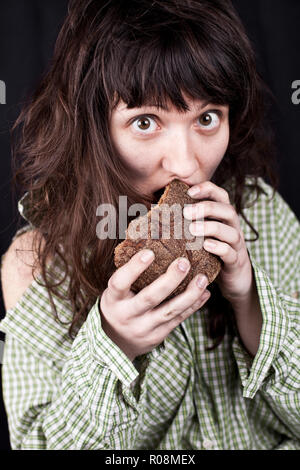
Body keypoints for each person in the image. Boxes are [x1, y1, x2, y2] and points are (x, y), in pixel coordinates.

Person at [0, 0, 299, 450]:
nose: (185, 164)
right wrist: (113, 345)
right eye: (145, 121)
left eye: (206, 118)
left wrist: (251, 301)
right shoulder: (36, 267)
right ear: (94, 129)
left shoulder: (263, 215)